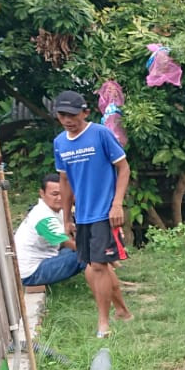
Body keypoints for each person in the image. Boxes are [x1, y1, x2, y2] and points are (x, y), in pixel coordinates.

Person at [52, 90, 133, 338]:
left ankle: (103, 323)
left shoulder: (100, 134)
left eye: (73, 115)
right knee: (96, 267)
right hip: (82, 215)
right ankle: (123, 311)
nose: (68, 120)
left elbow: (123, 168)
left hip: (104, 212)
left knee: (98, 265)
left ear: (85, 112)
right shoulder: (60, 143)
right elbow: (64, 182)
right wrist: (66, 218)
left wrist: (117, 204)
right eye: (62, 115)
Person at [14, 173, 85, 288]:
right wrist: (96, 251)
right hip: (31, 273)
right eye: (55, 194)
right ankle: (100, 278)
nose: (60, 198)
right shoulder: (43, 217)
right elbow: (67, 242)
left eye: (63, 193)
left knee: (81, 249)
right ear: (42, 193)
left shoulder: (56, 210)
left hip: (44, 258)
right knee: (85, 255)